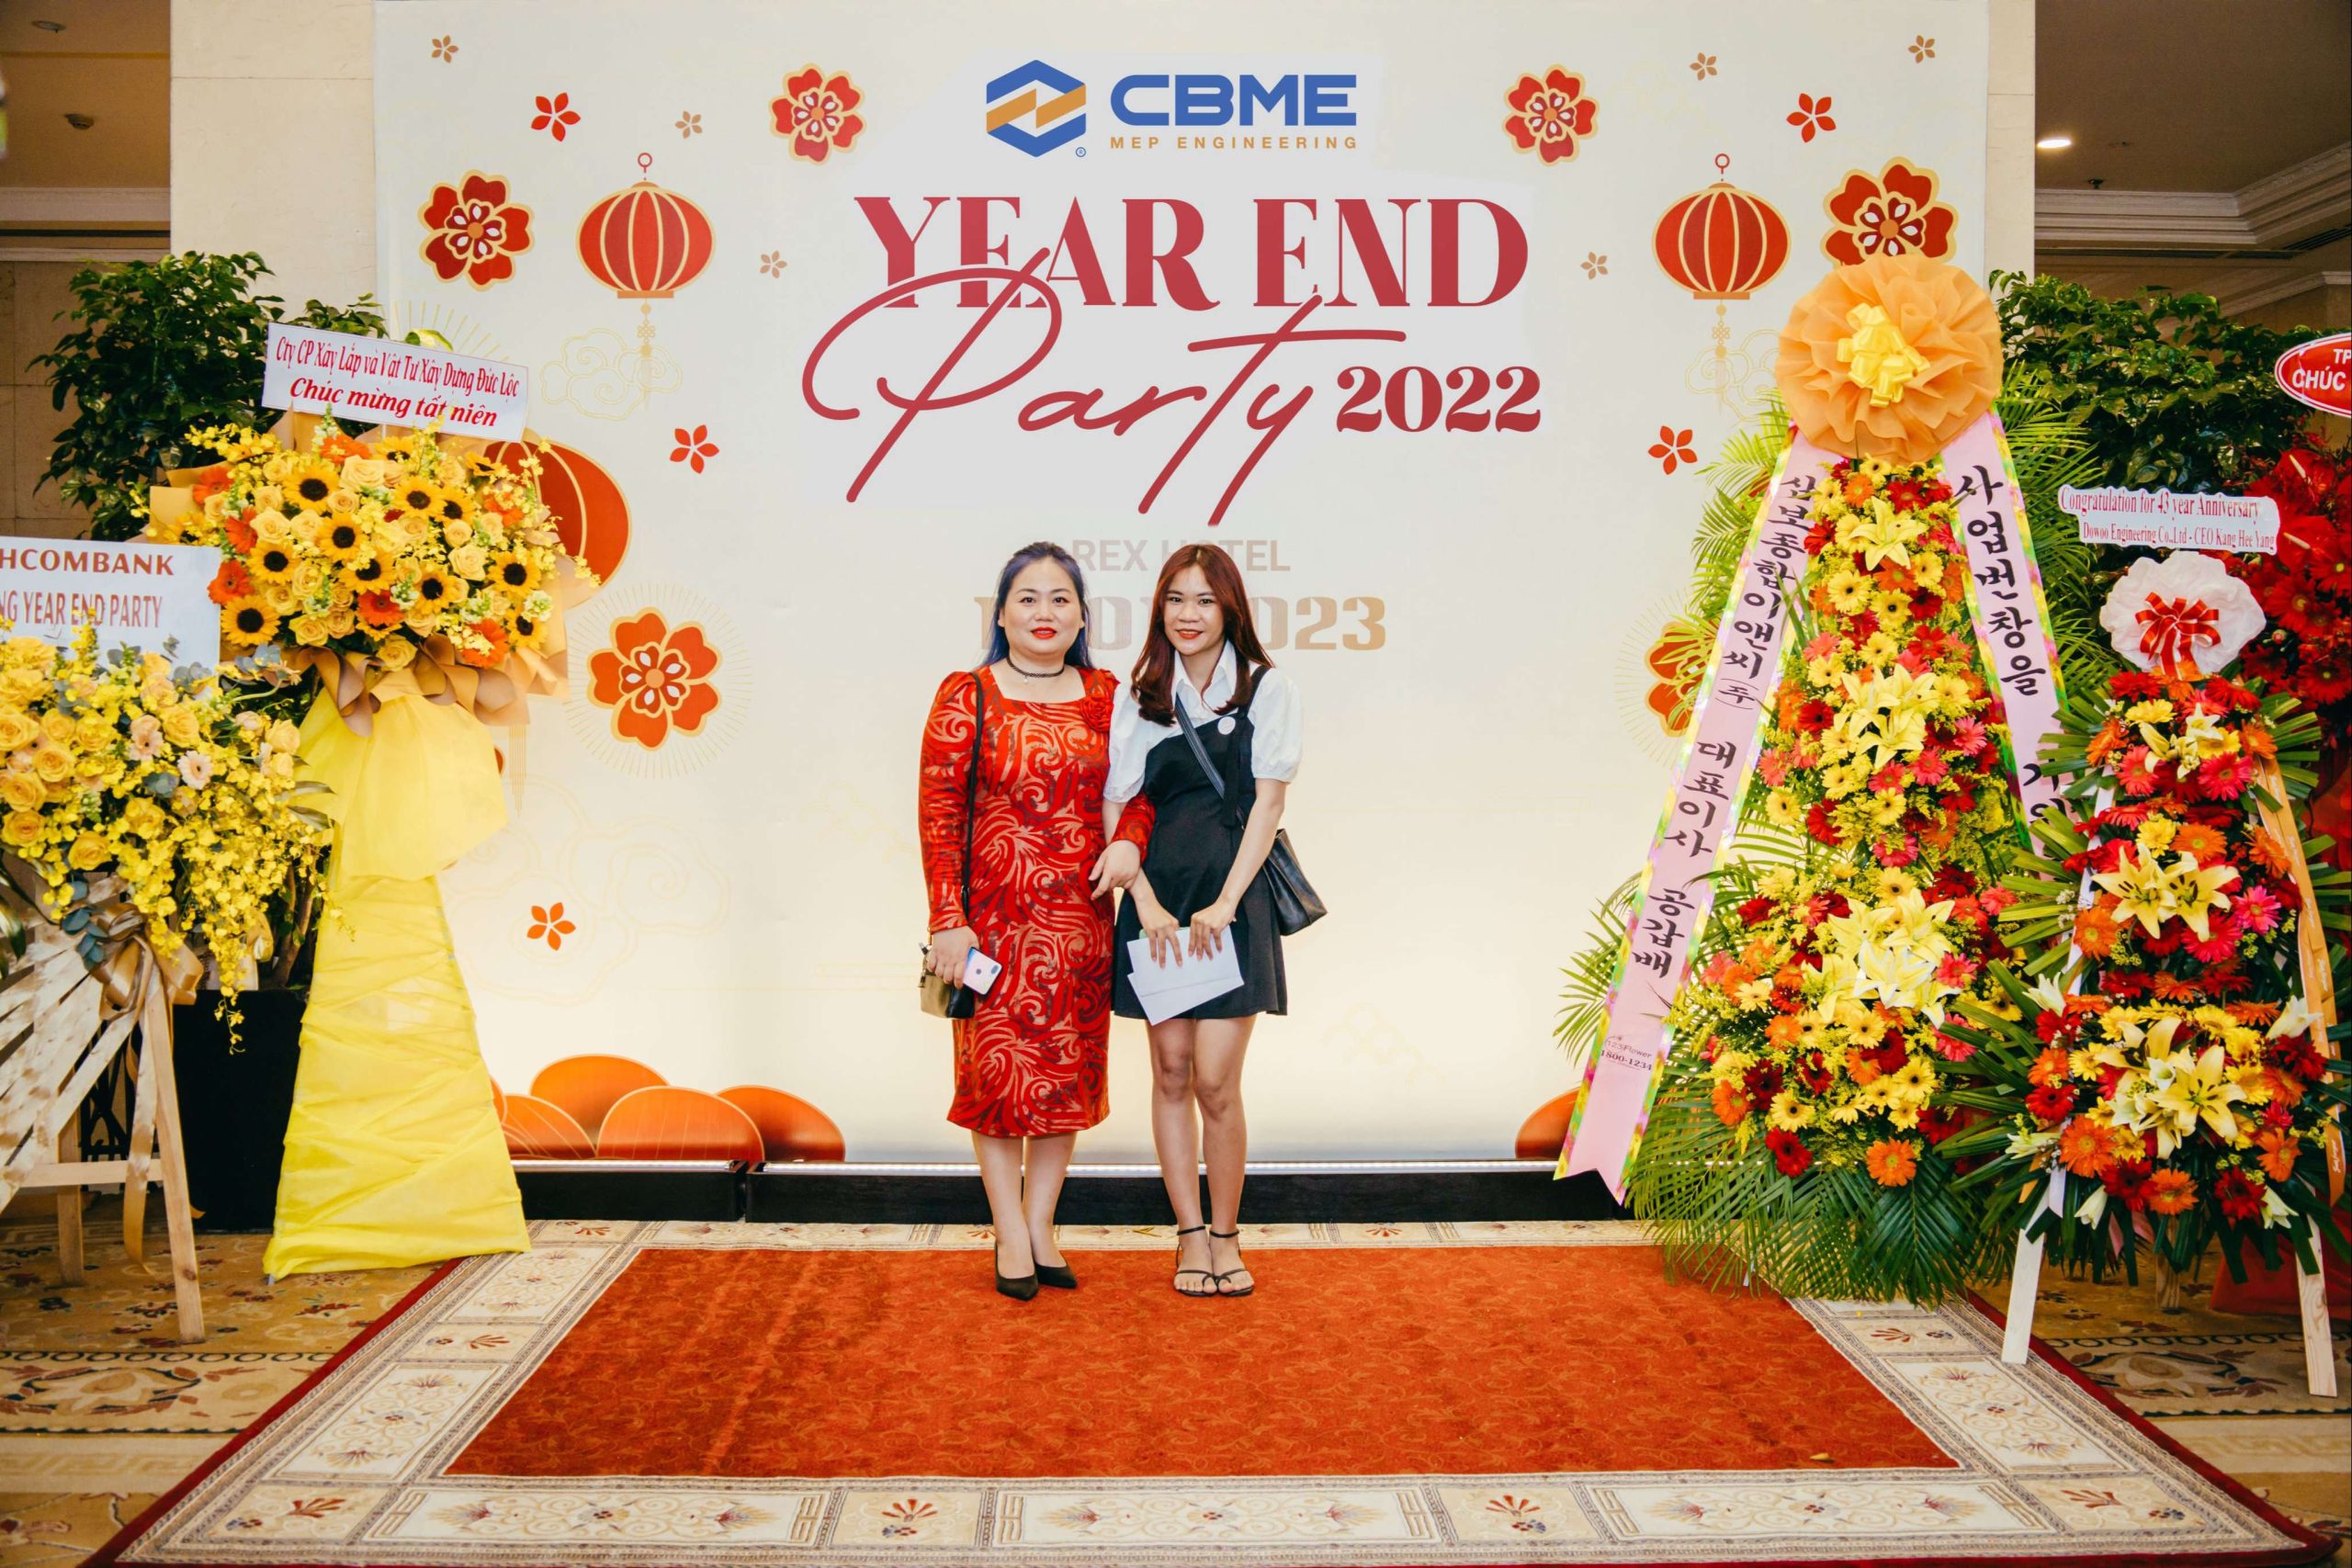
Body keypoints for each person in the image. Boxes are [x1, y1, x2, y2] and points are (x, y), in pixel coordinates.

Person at [920, 543, 1151, 1300]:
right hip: (989, 926)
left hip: (1080, 925)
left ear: (1082, 615)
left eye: (1060, 598)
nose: (1044, 612)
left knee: (1062, 1082)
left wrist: (1129, 839)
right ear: (1001, 613)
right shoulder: (968, 693)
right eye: (1027, 597)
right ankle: (1009, 1230)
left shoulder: (1110, 697)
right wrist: (947, 918)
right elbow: (940, 813)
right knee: (994, 1080)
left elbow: (1140, 791)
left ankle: (1042, 1224)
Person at [1106, 544, 1301, 1298]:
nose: (1188, 615)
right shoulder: (1141, 695)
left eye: (1204, 601)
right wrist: (1145, 901)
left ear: (1230, 609)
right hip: (1156, 902)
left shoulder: (1266, 688)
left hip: (1232, 903)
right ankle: (1189, 1234)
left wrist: (1225, 901)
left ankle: (1226, 1233)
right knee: (1171, 1070)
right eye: (1175, 599)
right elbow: (1118, 807)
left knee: (1217, 1080)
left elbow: (1269, 804)